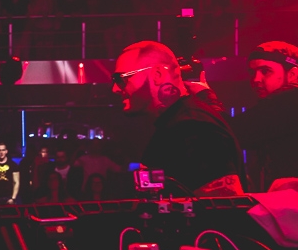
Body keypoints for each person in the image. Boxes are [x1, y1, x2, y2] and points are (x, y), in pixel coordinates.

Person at [112, 41, 244, 196]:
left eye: (121, 79)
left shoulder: (192, 128)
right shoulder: (178, 125)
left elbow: (223, 205)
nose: (115, 89)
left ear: (157, 75)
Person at [231, 41, 298, 191]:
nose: (256, 79)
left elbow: (231, 134)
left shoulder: (290, 99)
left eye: (265, 71)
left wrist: (205, 96)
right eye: (252, 73)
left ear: (292, 75)